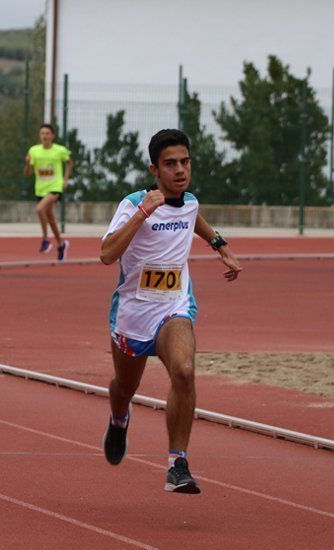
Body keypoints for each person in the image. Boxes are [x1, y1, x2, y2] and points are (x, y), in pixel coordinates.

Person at [99, 129, 242, 494]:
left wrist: (219, 244)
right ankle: (118, 420)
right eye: (170, 164)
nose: (180, 170)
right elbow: (106, 254)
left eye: (185, 162)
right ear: (154, 170)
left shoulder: (190, 202)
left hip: (174, 306)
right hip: (133, 313)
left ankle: (177, 463)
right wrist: (144, 212)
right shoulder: (133, 204)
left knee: (184, 369)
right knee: (124, 387)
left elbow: (193, 219)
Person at [25, 124, 73, 261]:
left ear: (52, 136)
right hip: (40, 188)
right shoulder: (34, 151)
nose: (44, 136)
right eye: (42, 133)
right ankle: (61, 244)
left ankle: (46, 240)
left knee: (40, 209)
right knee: (50, 218)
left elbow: (69, 162)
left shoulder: (59, 150)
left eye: (47, 133)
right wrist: (28, 163)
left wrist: (65, 179)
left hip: (55, 186)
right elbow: (28, 173)